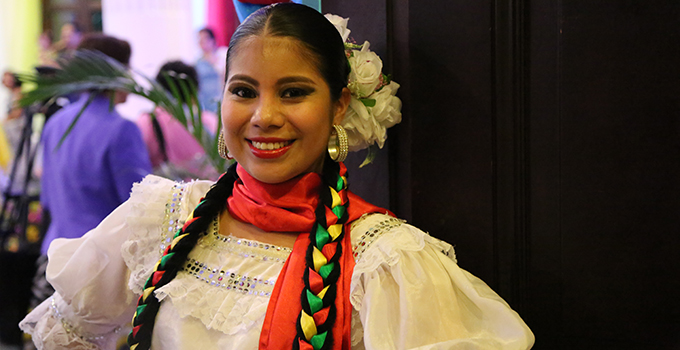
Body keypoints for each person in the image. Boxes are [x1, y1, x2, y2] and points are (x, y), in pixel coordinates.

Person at [20, 4, 534, 350]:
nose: (263, 115)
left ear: (339, 105)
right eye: (243, 91)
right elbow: (69, 332)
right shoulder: (160, 220)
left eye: (293, 92)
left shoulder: (386, 264)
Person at [29, 34, 152, 309]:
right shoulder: (122, 130)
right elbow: (142, 209)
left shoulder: (55, 123)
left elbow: (47, 199)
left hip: (53, 262)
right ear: (115, 73)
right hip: (98, 272)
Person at [136, 61, 219, 181]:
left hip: (169, 196)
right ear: (194, 91)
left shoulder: (147, 123)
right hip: (211, 196)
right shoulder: (210, 122)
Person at [195, 27, 227, 113]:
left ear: (213, 39)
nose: (202, 42)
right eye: (199, 39)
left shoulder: (223, 55)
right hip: (206, 104)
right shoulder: (198, 63)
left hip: (223, 98)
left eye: (205, 38)